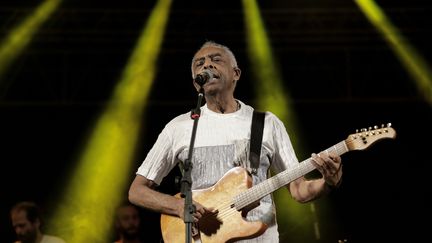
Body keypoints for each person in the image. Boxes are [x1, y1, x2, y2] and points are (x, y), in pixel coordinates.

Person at [128, 40, 343, 242]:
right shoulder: (180, 127)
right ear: (196, 84)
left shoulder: (266, 123)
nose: (207, 64)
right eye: (199, 63)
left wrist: (328, 182)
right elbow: (137, 191)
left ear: (236, 73)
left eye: (216, 59)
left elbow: (300, 190)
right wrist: (176, 206)